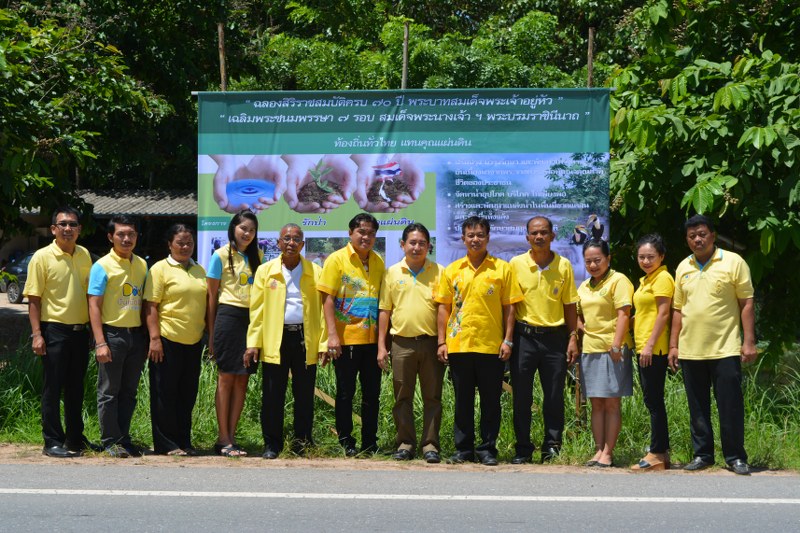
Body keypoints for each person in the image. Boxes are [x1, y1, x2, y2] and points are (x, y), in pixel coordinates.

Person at [669, 215, 756, 475]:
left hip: (725, 347)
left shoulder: (733, 262)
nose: (697, 239)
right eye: (692, 236)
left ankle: (735, 457)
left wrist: (749, 340)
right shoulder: (683, 267)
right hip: (690, 349)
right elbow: (677, 310)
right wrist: (673, 345)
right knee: (697, 407)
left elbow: (747, 303)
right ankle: (703, 455)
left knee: (729, 405)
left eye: (702, 234)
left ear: (713, 235)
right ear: (687, 240)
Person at [435, 216, 522, 466]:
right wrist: (442, 342)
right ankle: (463, 449)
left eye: (480, 235)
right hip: (459, 345)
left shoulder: (502, 269)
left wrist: (508, 341)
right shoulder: (452, 270)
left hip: (491, 346)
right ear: (463, 239)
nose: (475, 239)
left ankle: (487, 449)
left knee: (491, 401)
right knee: (462, 401)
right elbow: (443, 308)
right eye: (470, 235)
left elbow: (510, 309)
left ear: (488, 237)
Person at [245, 224, 327, 459]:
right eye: (286, 238)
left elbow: (322, 311)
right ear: (278, 243)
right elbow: (257, 311)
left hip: (304, 339)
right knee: (272, 395)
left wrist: (322, 344)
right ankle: (272, 444)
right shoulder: (265, 271)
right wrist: (253, 343)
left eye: (296, 239)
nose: (291, 243)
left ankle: (302, 443)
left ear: (303, 244)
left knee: (304, 394)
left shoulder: (315, 271)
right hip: (275, 339)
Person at [24, 206, 100, 457]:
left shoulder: (85, 254)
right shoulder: (42, 257)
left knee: (76, 387)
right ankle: (52, 441)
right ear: (54, 229)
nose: (68, 229)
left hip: (80, 332)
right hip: (53, 330)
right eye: (63, 224)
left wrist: (92, 329)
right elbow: (33, 299)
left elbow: (89, 295)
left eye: (73, 224)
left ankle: (75, 438)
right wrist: (37, 334)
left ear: (79, 229)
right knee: (53, 388)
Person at [508, 216, 579, 464]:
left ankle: (552, 448)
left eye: (544, 232)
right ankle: (523, 449)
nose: (539, 237)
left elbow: (570, 305)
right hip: (524, 338)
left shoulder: (564, 265)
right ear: (527, 236)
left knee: (553, 396)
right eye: (534, 233)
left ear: (552, 235)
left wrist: (573, 337)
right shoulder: (515, 264)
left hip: (555, 340)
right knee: (522, 397)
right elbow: (511, 306)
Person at [377, 223, 445, 463]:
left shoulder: (439, 272)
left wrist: (442, 342)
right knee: (402, 396)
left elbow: (443, 310)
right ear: (402, 245)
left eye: (422, 243)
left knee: (433, 397)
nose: (417, 247)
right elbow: (385, 310)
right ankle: (405, 443)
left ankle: (430, 445)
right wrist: (382, 346)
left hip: (431, 343)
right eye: (412, 243)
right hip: (401, 344)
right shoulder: (392, 273)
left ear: (429, 246)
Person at [318, 213, 384, 456]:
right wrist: (332, 336)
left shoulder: (378, 262)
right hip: (346, 341)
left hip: (372, 340)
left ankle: (370, 441)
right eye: (362, 232)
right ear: (350, 233)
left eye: (371, 233)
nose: (366, 237)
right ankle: (346, 440)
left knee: (372, 394)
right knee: (345, 393)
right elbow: (327, 298)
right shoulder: (336, 260)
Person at [87, 216, 148, 458]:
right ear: (110, 237)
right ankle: (110, 440)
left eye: (131, 234)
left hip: (136, 336)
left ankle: (124, 437)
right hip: (112, 335)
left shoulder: (142, 265)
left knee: (129, 391)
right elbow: (93, 305)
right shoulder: (101, 266)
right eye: (121, 234)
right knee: (109, 391)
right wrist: (100, 341)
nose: (126, 238)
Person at [144, 224, 207, 456]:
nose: (185, 247)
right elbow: (151, 306)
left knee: (187, 394)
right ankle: (166, 444)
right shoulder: (159, 269)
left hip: (193, 342)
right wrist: (154, 339)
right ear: (169, 244)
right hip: (167, 340)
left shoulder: (199, 270)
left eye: (189, 242)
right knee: (164, 394)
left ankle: (184, 441)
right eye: (180, 242)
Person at [206, 210, 262, 457]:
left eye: (251, 230)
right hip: (227, 318)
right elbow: (211, 298)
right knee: (226, 378)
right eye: (243, 229)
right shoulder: (219, 256)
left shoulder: (258, 256)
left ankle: (233, 435)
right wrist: (210, 334)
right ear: (233, 229)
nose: (247, 234)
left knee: (242, 380)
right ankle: (223, 437)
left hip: (250, 321)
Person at [576, 239, 634, 468]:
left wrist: (617, 344)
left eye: (597, 260)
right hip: (590, 349)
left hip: (613, 350)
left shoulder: (618, 280)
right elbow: (577, 311)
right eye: (588, 261)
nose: (592, 265)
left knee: (611, 403)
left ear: (608, 259)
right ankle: (598, 450)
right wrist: (579, 326)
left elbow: (624, 314)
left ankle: (609, 453)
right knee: (596, 403)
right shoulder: (584, 286)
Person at [631, 233, 674, 471]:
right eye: (641, 257)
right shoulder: (647, 280)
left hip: (653, 348)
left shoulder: (663, 278)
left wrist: (649, 345)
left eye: (651, 257)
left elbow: (664, 314)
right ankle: (661, 452)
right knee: (652, 400)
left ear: (661, 257)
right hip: (643, 346)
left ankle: (657, 452)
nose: (646, 261)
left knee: (654, 400)